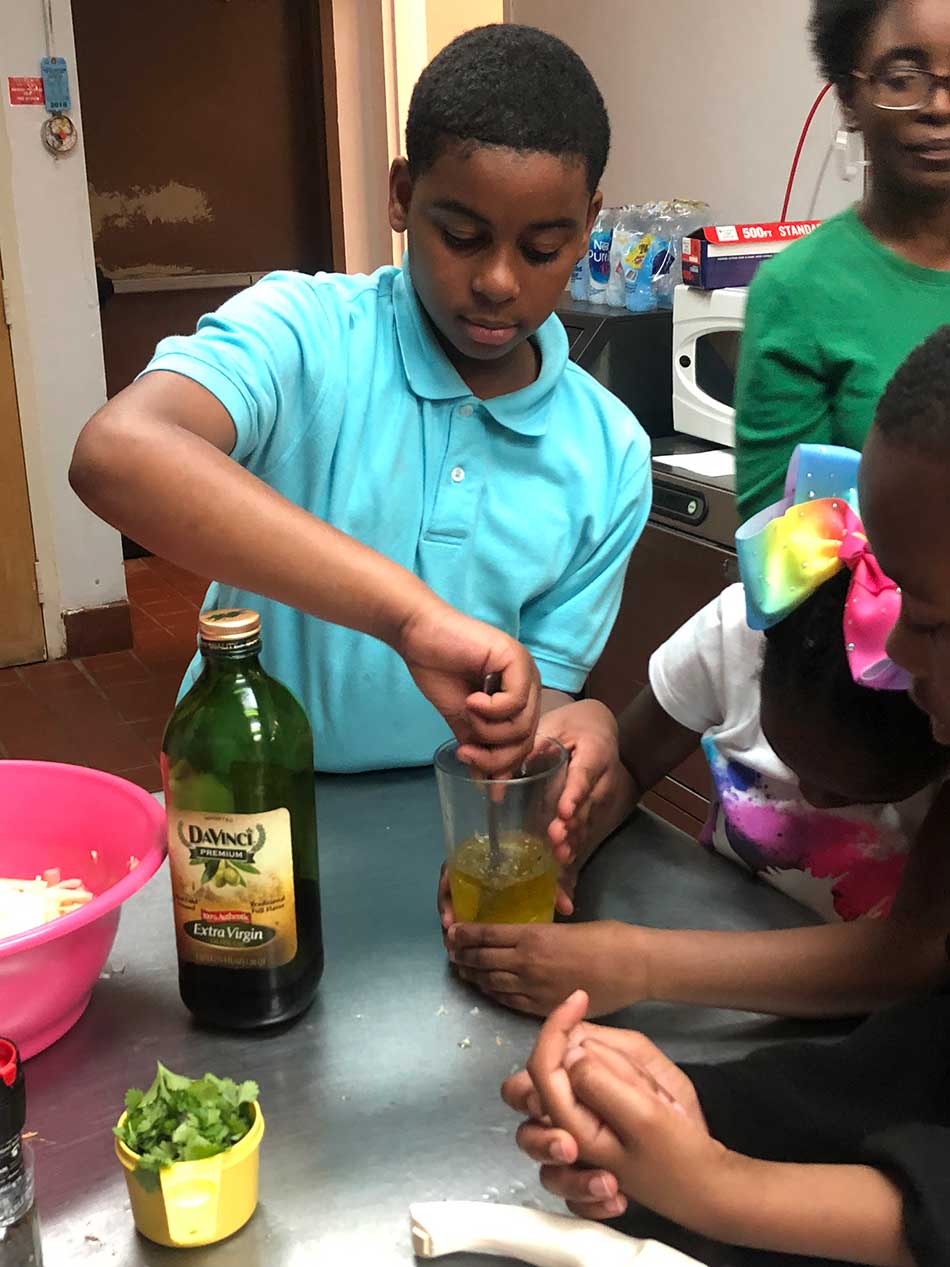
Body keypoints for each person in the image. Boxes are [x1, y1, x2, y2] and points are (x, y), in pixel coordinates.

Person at [68, 26, 651, 815]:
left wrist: (570, 728)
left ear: (588, 223)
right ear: (403, 196)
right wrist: (409, 618)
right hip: (247, 802)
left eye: (542, 248)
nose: (498, 281)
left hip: (443, 821)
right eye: (462, 236)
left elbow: (526, 713)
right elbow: (115, 454)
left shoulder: (609, 455)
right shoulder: (306, 334)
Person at [503, 326, 950, 1267]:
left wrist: (712, 1181)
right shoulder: (757, 624)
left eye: (936, 621)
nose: (906, 650)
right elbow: (896, 1077)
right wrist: (690, 1108)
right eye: (902, 604)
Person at [444, 447, 950, 1020]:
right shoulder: (738, 629)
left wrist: (641, 964)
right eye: (794, 765)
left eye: (860, 795)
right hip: (718, 922)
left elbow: (915, 949)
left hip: (876, 1024)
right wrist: (562, 843)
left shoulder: (943, 700)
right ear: (759, 659)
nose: (812, 798)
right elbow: (630, 763)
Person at [735, 0, 950, 520]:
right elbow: (788, 563)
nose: (940, 105)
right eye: (903, 77)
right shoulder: (798, 292)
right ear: (849, 98)